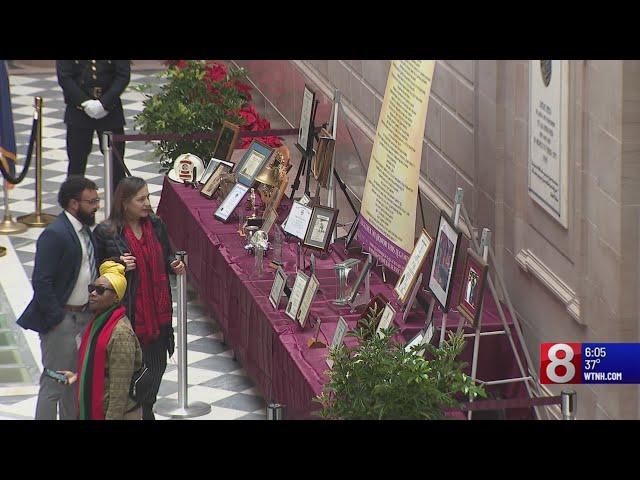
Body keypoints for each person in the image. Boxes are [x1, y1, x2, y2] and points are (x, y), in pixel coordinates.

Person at [94, 177, 185, 420]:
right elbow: (97, 274)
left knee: (153, 377)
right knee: (130, 385)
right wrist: (118, 264)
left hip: (159, 319)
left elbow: (165, 254)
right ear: (124, 203)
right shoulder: (106, 232)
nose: (147, 203)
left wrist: (172, 263)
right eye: (141, 199)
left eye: (148, 197)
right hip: (129, 320)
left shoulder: (156, 225)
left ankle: (146, 411)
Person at [17, 176, 100, 420]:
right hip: (63, 318)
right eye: (92, 201)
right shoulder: (55, 234)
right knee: (55, 382)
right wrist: (57, 318)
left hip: (84, 315)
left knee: (74, 382)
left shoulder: (84, 231)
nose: (96, 206)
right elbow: (42, 281)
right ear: (74, 204)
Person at [58, 259, 143, 420]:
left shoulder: (121, 334)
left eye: (100, 290)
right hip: (95, 407)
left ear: (116, 297)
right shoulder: (98, 323)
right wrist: (78, 376)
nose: (93, 293)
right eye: (92, 288)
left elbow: (120, 388)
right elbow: (97, 366)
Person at [56, 60, 131, 192]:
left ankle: (119, 208)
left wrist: (104, 103)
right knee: (76, 165)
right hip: (78, 110)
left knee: (116, 164)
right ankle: (74, 207)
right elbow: (64, 76)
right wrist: (84, 102)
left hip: (110, 109)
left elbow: (123, 75)